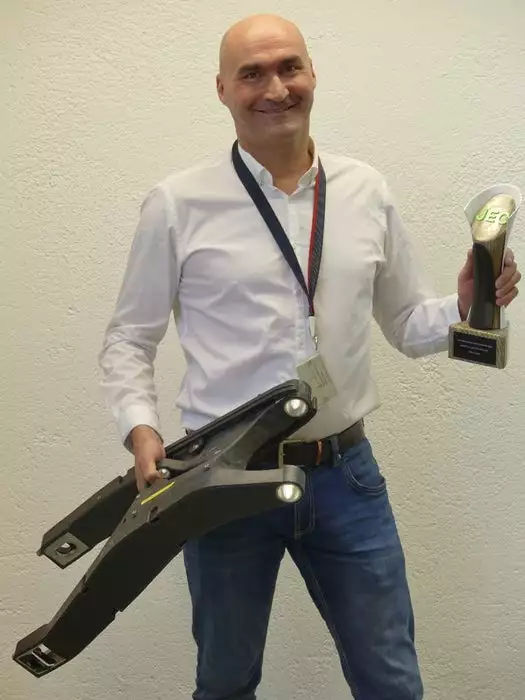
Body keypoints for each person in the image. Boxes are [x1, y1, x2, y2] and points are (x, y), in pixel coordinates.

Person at [98, 14, 521, 700]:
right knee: (225, 682)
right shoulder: (177, 204)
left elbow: (408, 324)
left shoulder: (365, 189)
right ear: (222, 89)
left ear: (312, 74)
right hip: (221, 482)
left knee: (391, 680)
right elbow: (129, 338)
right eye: (252, 74)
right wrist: (141, 430)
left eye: (289, 67)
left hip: (345, 475)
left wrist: (466, 304)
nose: (276, 88)